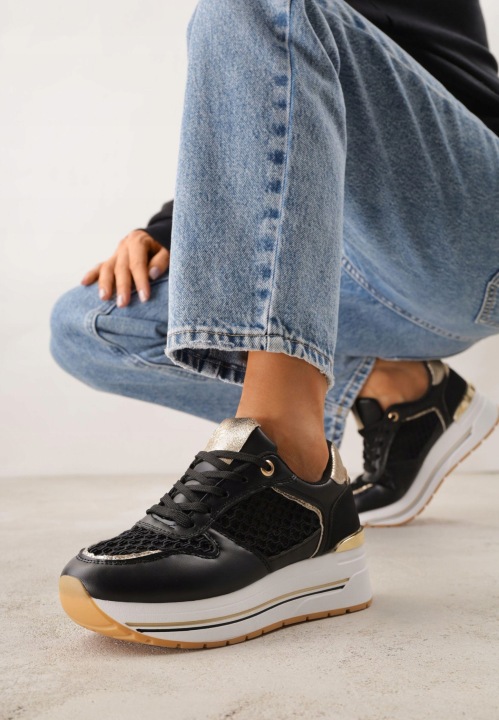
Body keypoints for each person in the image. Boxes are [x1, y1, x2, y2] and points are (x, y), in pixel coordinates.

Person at [51, 0, 499, 648]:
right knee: (89, 324)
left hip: (467, 234)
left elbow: (287, 27)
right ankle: (403, 392)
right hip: (358, 267)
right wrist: (169, 232)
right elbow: (280, 104)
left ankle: (290, 463)